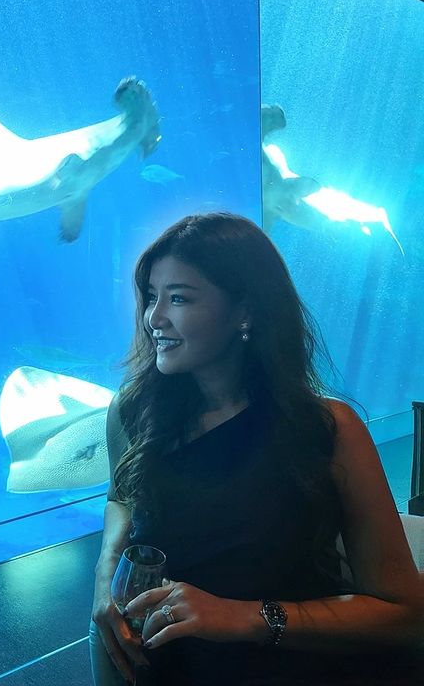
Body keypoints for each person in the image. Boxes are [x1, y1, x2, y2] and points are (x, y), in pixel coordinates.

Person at [90, 212, 424, 685]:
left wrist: (242, 617)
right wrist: (106, 573)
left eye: (178, 298)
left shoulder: (328, 429)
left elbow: (405, 612)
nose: (154, 318)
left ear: (245, 311)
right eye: (151, 296)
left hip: (297, 665)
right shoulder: (133, 410)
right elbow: (121, 497)